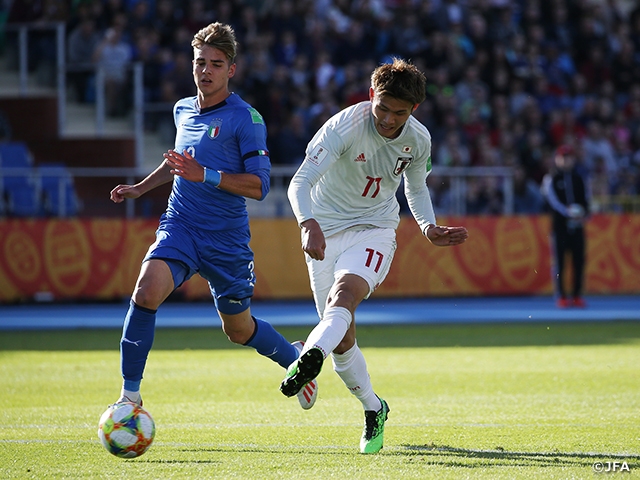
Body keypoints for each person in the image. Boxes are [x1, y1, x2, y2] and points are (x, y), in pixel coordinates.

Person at [108, 22, 317, 411]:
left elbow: (259, 186)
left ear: (231, 69)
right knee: (146, 289)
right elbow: (179, 162)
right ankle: (129, 398)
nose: (206, 71)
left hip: (226, 241)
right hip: (181, 225)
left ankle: (293, 357)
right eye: (200, 62)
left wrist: (204, 174)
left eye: (216, 64)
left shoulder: (247, 119)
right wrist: (140, 187)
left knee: (238, 330)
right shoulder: (182, 109)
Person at [279, 58, 469, 453]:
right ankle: (374, 407)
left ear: (413, 110)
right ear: (372, 95)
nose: (387, 118)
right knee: (343, 341)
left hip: (375, 229)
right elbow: (300, 182)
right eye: (382, 107)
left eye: (399, 112)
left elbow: (416, 189)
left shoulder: (418, 139)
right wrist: (307, 223)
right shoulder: (344, 126)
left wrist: (427, 227)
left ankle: (309, 354)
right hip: (323, 231)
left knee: (343, 298)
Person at [541, 144, 590, 308]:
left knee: (579, 261)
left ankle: (577, 295)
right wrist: (569, 212)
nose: (566, 160)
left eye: (568, 157)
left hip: (577, 227)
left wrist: (584, 213)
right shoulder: (551, 179)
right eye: (563, 157)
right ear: (557, 159)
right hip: (560, 227)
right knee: (560, 262)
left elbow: (586, 199)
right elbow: (553, 201)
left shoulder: (579, 179)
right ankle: (561, 295)